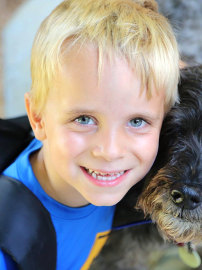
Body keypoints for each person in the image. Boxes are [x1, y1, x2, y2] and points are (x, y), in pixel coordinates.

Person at [0, 0, 179, 269]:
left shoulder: (99, 176)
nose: (110, 151)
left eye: (137, 121)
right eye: (84, 119)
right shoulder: (8, 249)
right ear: (37, 117)